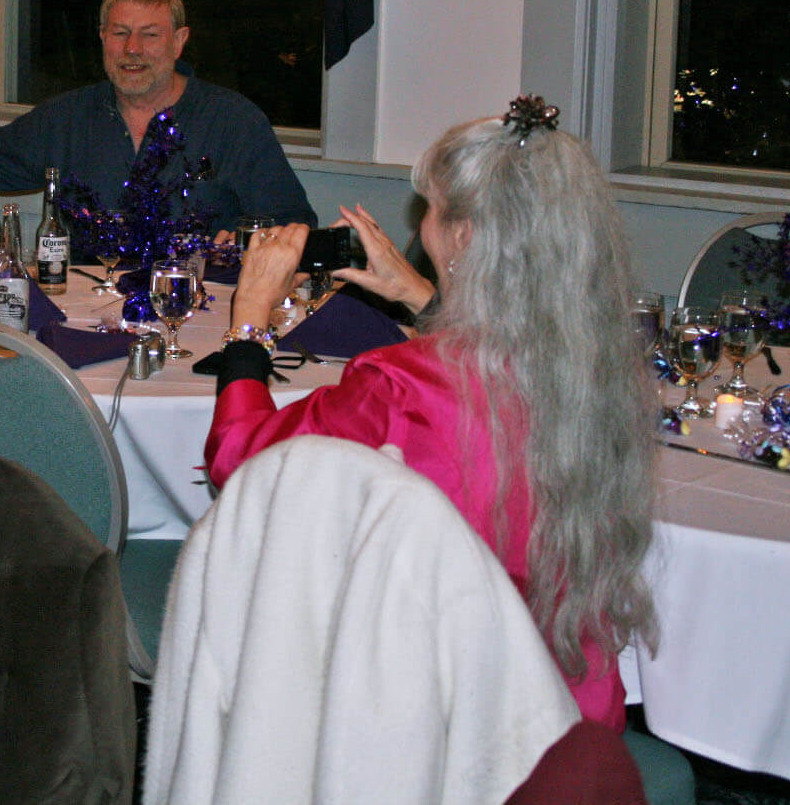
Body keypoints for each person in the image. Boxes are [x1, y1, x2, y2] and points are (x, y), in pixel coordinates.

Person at [204, 101, 657, 731]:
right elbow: (497, 352)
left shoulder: (400, 383)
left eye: (436, 211)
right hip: (569, 708)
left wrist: (248, 319)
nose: (427, 227)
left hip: (439, 722)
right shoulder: (604, 371)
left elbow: (243, 464)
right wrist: (421, 295)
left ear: (467, 237)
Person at [0, 0, 315, 237]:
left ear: (179, 41)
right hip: (88, 319)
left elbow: (293, 225)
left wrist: (247, 244)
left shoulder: (232, 122)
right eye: (120, 33)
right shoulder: (65, 120)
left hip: (200, 318)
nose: (132, 49)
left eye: (150, 35)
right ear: (103, 37)